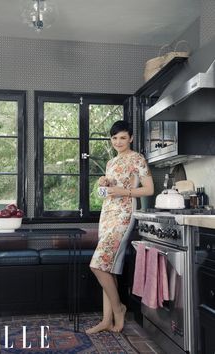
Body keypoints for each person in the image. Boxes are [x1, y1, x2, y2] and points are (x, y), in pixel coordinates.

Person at [86, 120, 154, 334]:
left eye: (123, 137)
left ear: (131, 138)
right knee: (107, 267)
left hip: (124, 215)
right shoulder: (111, 163)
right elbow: (105, 195)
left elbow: (149, 189)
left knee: (97, 265)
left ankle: (119, 309)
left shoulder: (137, 159)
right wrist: (102, 186)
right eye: (114, 138)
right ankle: (107, 320)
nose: (118, 142)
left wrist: (123, 192)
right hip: (107, 215)